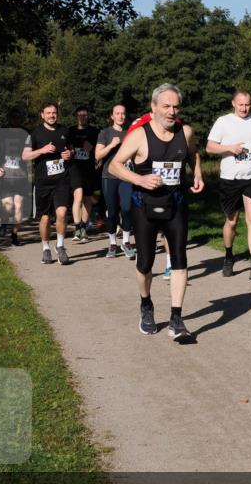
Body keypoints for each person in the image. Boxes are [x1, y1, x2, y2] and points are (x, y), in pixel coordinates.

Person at [109, 83, 204, 339]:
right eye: (166, 106)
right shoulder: (139, 135)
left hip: (176, 204)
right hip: (145, 207)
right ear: (153, 108)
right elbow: (114, 166)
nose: (172, 111)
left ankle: (176, 318)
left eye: (175, 106)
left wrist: (197, 174)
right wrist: (139, 180)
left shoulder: (185, 132)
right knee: (145, 263)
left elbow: (194, 155)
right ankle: (146, 303)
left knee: (180, 260)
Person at [206, 88, 251, 281]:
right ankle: (228, 256)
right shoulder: (223, 122)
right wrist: (229, 148)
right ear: (233, 103)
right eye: (240, 104)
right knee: (232, 221)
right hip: (230, 179)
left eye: (247, 104)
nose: (244, 108)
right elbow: (209, 147)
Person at [22, 102, 73, 265]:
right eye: (48, 113)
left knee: (62, 213)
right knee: (45, 218)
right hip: (43, 182)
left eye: (54, 112)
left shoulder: (65, 131)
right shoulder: (35, 134)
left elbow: (71, 149)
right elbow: (25, 156)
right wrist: (42, 151)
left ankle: (60, 246)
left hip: (62, 181)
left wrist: (69, 154)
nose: (52, 115)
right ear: (42, 115)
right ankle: (45, 248)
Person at [95, 104, 135, 259]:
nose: (120, 116)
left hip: (126, 176)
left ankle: (126, 241)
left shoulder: (131, 133)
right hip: (109, 176)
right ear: (112, 116)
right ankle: (112, 243)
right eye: (117, 113)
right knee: (111, 212)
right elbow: (97, 155)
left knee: (126, 208)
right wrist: (112, 144)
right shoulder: (105, 133)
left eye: (123, 113)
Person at [0, 109, 31, 246]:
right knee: (8, 206)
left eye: (18, 118)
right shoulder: (1, 134)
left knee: (19, 206)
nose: (16, 120)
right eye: (14, 118)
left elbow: (31, 151)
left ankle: (15, 234)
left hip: (21, 177)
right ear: (10, 120)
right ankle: (3, 223)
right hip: (6, 176)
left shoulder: (26, 133)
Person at [68, 106, 99, 243]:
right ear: (76, 116)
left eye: (85, 115)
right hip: (75, 168)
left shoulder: (94, 131)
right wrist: (71, 150)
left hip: (89, 169)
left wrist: (92, 148)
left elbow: (99, 148)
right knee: (78, 196)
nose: (83, 117)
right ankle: (77, 227)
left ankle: (84, 228)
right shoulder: (70, 131)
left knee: (87, 198)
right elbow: (65, 147)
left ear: (88, 116)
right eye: (80, 115)